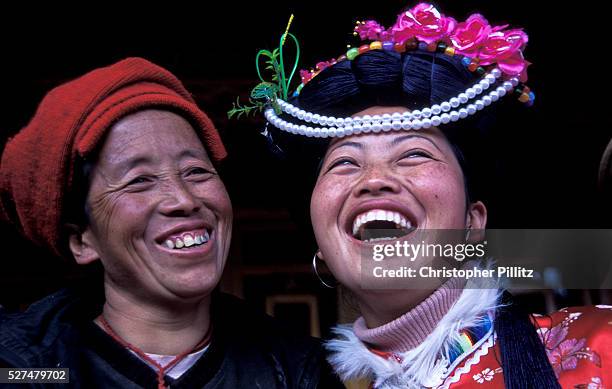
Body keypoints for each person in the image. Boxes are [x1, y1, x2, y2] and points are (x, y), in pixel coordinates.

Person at [235, 3, 612, 388]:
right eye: (345, 163)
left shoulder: (599, 347)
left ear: (474, 221)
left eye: (413, 154)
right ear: (321, 247)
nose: (374, 180)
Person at [0, 57, 341, 388]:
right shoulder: (26, 368)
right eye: (139, 180)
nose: (184, 199)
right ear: (82, 240)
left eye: (196, 171)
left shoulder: (294, 370)